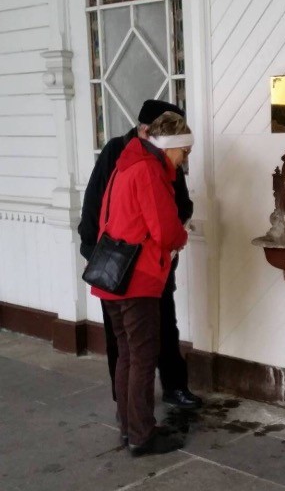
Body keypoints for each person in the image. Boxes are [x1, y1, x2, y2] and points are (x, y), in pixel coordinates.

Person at [78, 99, 202, 411]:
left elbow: (178, 203)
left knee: (162, 328)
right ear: (146, 130)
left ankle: (168, 389)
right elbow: (95, 205)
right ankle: (133, 415)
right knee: (130, 349)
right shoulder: (125, 155)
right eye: (183, 149)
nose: (183, 157)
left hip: (153, 263)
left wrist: (174, 227)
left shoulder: (160, 160)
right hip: (118, 264)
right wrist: (93, 251)